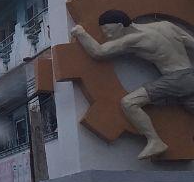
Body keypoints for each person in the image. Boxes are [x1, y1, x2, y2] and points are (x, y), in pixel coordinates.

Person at [71, 9, 194, 159]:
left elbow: (99, 52)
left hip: (176, 79)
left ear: (119, 25)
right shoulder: (166, 25)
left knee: (129, 103)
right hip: (190, 75)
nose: (107, 35)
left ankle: (155, 141)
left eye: (108, 30)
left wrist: (81, 33)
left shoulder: (133, 39)